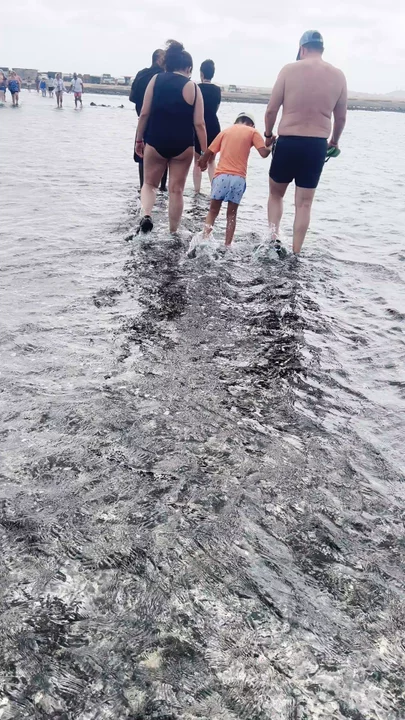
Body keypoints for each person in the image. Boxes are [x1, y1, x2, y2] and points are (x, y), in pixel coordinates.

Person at [265, 30, 347, 254]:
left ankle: (273, 239)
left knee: (276, 194)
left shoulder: (289, 70)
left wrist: (268, 135)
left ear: (302, 49)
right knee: (304, 204)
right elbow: (341, 118)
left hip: (288, 141)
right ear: (322, 49)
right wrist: (334, 142)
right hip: (316, 145)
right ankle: (296, 252)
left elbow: (271, 110)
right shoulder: (338, 76)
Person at [135, 40, 207, 234]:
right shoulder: (193, 87)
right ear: (188, 68)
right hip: (183, 145)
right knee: (176, 190)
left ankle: (147, 215)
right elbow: (199, 124)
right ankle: (173, 232)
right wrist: (204, 152)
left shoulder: (156, 80)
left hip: (156, 140)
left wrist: (139, 139)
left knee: (149, 184)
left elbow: (144, 113)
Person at [199, 112, 271, 246]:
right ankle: (227, 245)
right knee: (231, 215)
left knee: (213, 211)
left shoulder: (226, 131)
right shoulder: (253, 131)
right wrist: (271, 145)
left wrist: (202, 163)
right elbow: (263, 153)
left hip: (221, 177)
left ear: (235, 122)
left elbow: (208, 153)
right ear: (252, 124)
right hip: (238, 178)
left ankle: (204, 240)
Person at [130, 49, 167, 192]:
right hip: (161, 121)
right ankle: (162, 188)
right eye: (164, 58)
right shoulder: (163, 77)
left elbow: (133, 98)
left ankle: (143, 187)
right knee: (164, 155)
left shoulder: (141, 75)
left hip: (142, 120)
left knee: (141, 155)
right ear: (159, 59)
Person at [193, 59, 221, 193]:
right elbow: (216, 108)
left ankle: (197, 191)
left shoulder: (196, 88)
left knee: (197, 161)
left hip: (198, 125)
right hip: (214, 125)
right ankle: (214, 190)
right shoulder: (217, 90)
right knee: (211, 161)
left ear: (201, 73)